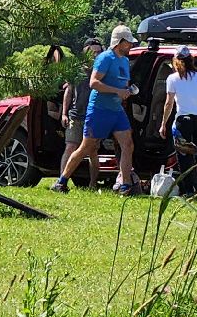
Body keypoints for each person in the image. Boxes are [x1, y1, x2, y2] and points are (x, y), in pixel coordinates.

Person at [49, 25, 140, 194]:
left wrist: (127, 91)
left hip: (116, 110)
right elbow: (94, 83)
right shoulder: (105, 58)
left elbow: (122, 83)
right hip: (99, 109)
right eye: (128, 42)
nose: (131, 45)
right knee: (85, 148)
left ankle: (125, 185)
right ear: (119, 42)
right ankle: (61, 181)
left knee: (128, 144)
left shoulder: (125, 61)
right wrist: (117, 91)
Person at [161, 47, 197, 191]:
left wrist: (163, 124)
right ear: (191, 59)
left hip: (183, 120)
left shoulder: (172, 79)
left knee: (184, 155)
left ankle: (189, 189)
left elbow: (169, 103)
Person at [56, 37, 104, 184]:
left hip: (94, 116)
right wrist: (64, 113)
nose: (95, 55)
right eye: (93, 52)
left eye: (98, 52)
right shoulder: (76, 70)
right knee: (70, 146)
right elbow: (68, 92)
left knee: (92, 151)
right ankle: (61, 181)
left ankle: (93, 183)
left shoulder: (102, 70)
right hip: (75, 115)